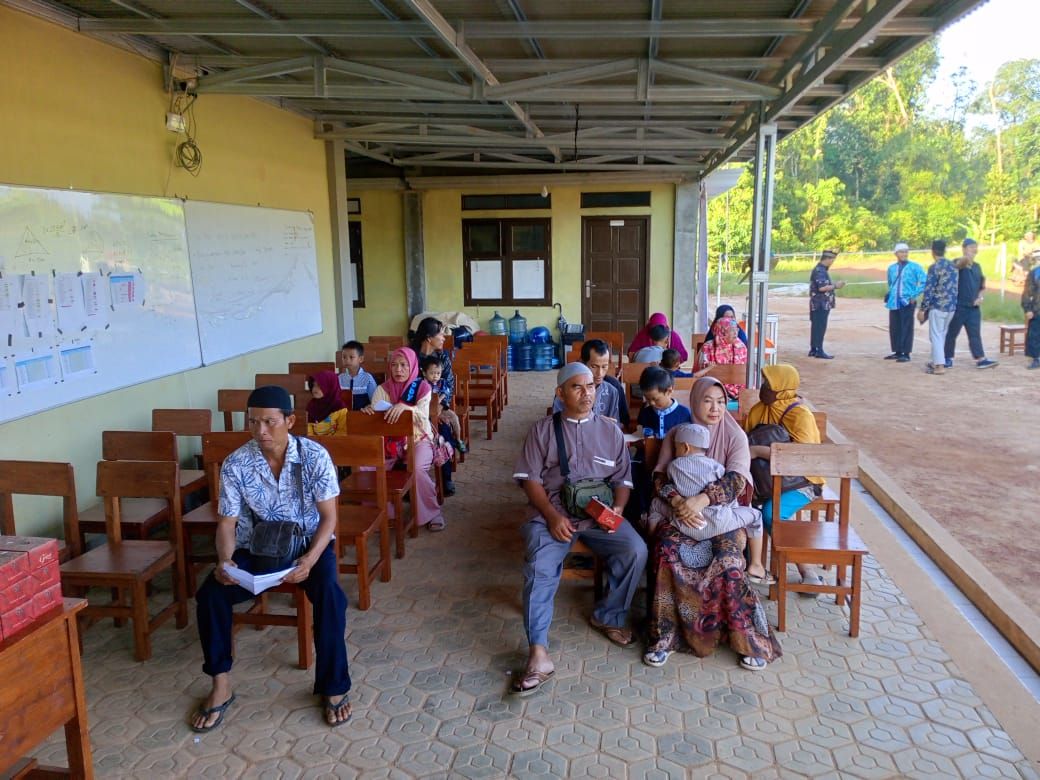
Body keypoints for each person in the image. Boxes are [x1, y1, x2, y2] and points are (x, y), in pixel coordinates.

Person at [191, 386, 350, 732]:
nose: (260, 431)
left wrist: (309, 560)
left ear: (289, 421)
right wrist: (225, 561)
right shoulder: (237, 463)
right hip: (260, 548)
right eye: (253, 422)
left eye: (269, 422)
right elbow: (227, 523)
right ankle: (220, 684)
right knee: (210, 594)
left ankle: (334, 686)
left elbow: (329, 519)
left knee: (330, 596)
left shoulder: (314, 456)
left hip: (310, 545)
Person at [512, 362, 646, 695]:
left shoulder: (610, 430)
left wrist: (617, 508)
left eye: (590, 387)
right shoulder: (542, 430)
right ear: (560, 393)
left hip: (598, 515)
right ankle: (538, 652)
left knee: (635, 550)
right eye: (577, 387)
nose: (586, 394)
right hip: (553, 514)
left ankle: (608, 615)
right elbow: (529, 480)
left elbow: (623, 480)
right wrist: (551, 516)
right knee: (539, 567)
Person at [645, 376, 782, 671]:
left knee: (729, 561)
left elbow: (736, 481)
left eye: (721, 402)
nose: (715, 408)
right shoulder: (677, 434)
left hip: (724, 517)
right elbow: (659, 477)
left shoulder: (735, 437)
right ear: (695, 402)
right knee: (667, 551)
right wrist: (679, 502)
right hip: (681, 515)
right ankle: (665, 638)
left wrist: (701, 500)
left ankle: (748, 640)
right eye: (708, 400)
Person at [645, 423, 772, 588]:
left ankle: (649, 537)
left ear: (685, 447)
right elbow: (728, 497)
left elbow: (666, 486)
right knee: (756, 515)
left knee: (655, 504)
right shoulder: (717, 467)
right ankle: (756, 564)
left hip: (682, 521)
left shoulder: (672, 467)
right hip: (719, 524)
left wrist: (678, 502)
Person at [741, 364, 825, 587]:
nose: (763, 388)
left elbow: (804, 457)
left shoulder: (800, 414)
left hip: (800, 482)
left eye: (769, 385)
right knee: (742, 509)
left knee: (771, 514)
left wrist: (759, 451)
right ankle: (747, 565)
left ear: (782, 388)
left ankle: (806, 569)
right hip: (763, 482)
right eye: (764, 382)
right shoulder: (759, 410)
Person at [364, 347, 447, 532]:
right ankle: (385, 512)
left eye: (403, 365)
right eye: (394, 365)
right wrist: (369, 412)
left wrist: (405, 408)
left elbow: (423, 417)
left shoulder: (422, 387)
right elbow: (376, 420)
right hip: (390, 443)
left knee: (416, 468)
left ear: (412, 366)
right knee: (366, 467)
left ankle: (432, 513)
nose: (398, 370)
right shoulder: (382, 389)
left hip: (418, 440)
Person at [944, 238, 997, 370]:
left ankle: (980, 359)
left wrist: (980, 297)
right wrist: (965, 259)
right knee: (952, 333)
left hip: (974, 307)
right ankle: (947, 358)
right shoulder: (957, 262)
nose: (974, 249)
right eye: (971, 247)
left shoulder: (977, 267)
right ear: (964, 249)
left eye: (975, 247)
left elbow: (982, 286)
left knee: (975, 334)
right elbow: (957, 266)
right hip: (959, 306)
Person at [551, 339, 629, 427]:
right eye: (594, 366)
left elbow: (621, 422)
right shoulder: (568, 388)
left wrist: (612, 426)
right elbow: (556, 423)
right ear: (582, 362)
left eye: (604, 366)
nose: (600, 373)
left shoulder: (613, 388)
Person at [420, 355, 463, 496]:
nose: (435, 376)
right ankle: (415, 484)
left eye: (438, 373)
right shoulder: (419, 385)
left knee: (445, 439)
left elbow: (445, 396)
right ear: (424, 372)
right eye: (432, 373)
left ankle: (447, 479)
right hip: (423, 419)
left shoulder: (441, 383)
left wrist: (438, 409)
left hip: (441, 413)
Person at [918, 239, 958, 375]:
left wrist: (923, 308)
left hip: (938, 306)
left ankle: (939, 366)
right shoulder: (953, 266)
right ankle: (936, 361)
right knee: (941, 335)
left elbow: (929, 289)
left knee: (935, 336)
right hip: (951, 307)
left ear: (933, 251)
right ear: (945, 250)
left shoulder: (934, 267)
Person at [884, 243, 926, 363]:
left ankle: (906, 352)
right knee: (894, 326)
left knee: (906, 326)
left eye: (906, 252)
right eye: (901, 252)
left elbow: (924, 282)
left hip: (907, 301)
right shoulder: (891, 268)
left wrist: (914, 295)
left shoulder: (915, 267)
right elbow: (891, 283)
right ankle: (897, 351)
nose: (904, 254)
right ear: (896, 253)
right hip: (894, 302)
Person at [410, 317, 455, 410]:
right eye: (441, 335)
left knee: (446, 424)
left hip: (438, 405)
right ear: (429, 338)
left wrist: (440, 407)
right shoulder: (410, 357)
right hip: (414, 407)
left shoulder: (442, 359)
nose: (444, 338)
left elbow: (449, 385)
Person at [698, 316, 747, 399]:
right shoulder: (708, 347)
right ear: (722, 331)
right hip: (714, 389)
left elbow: (746, 372)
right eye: (732, 330)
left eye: (736, 329)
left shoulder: (741, 347)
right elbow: (703, 373)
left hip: (740, 392)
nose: (735, 333)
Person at [808, 249, 846, 359]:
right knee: (820, 327)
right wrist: (836, 286)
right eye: (832, 260)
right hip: (821, 304)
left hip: (818, 304)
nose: (832, 262)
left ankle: (814, 349)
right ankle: (819, 350)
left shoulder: (820, 269)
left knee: (816, 327)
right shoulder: (820, 271)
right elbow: (822, 288)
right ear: (828, 259)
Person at [637, 367, 692, 439]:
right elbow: (640, 433)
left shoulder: (684, 414)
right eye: (647, 399)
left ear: (669, 391)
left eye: (655, 399)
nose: (651, 403)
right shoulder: (645, 413)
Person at [338, 340, 379, 410]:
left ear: (360, 359)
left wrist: (369, 407)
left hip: (362, 415)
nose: (347, 360)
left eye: (351, 357)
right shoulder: (339, 378)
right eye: (344, 357)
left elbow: (375, 401)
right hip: (343, 416)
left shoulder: (368, 378)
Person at [305, 370, 346, 435]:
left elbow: (342, 432)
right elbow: (308, 430)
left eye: (319, 386)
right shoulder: (311, 406)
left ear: (330, 387)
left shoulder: (339, 407)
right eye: (313, 385)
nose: (314, 389)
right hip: (314, 443)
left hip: (334, 443)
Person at [1022, 262, 1040, 370]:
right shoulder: (1035, 272)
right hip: (1037, 310)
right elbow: (1028, 292)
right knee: (1034, 335)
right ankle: (1036, 359)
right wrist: (1027, 308)